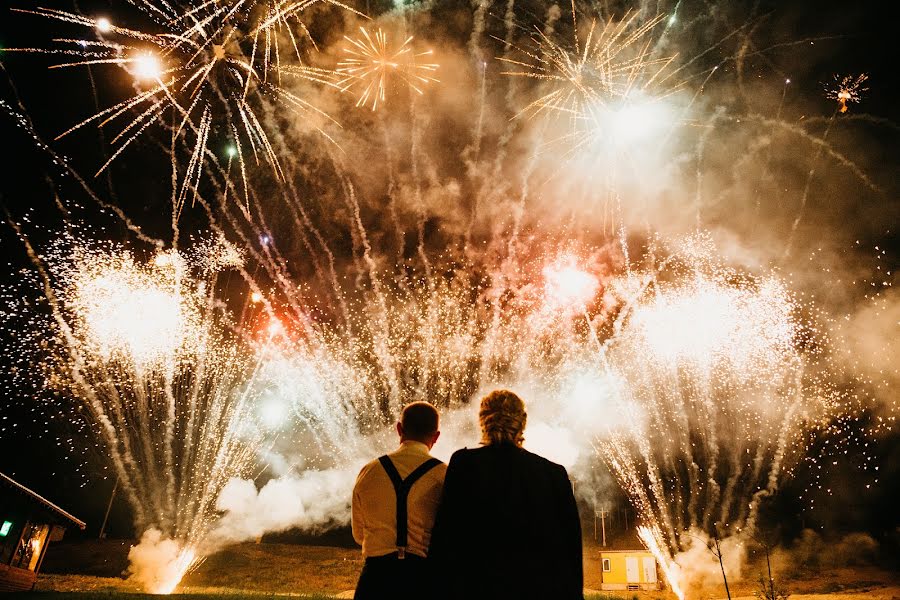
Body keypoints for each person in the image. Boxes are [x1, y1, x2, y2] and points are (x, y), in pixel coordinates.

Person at [429, 389, 584, 600]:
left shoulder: (464, 464)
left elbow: (446, 536)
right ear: (523, 422)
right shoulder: (553, 473)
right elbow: (571, 547)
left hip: (477, 588)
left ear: (483, 421)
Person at [351, 401, 447, 600]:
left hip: (375, 579)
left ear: (399, 429)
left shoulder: (369, 471)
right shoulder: (443, 474)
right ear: (436, 436)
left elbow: (359, 534)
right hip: (421, 579)